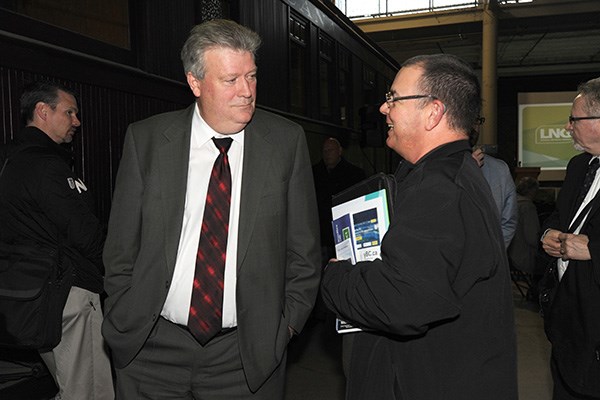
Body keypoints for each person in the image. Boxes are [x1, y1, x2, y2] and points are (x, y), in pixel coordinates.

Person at [101, 19, 321, 399]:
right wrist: (123, 312)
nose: (247, 91)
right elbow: (121, 245)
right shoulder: (148, 140)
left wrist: (284, 328)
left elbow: (304, 251)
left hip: (246, 355)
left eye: (251, 76)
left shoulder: (285, 142)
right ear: (195, 83)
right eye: (231, 80)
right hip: (150, 348)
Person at [320, 54, 518, 400]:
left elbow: (400, 300)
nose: (384, 109)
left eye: (393, 98)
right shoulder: (451, 172)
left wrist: (336, 277)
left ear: (433, 112)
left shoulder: (440, 189)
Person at [0, 81, 114, 399]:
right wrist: (116, 271)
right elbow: (83, 233)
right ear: (42, 112)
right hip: (68, 294)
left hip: (29, 297)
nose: (76, 121)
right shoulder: (47, 166)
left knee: (69, 386)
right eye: (69, 111)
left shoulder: (9, 162)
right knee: (90, 392)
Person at [540, 77, 600, 399]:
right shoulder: (578, 166)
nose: (567, 127)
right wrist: (548, 233)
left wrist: (594, 250)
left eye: (574, 119)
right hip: (566, 319)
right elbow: (560, 216)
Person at [312, 137, 366, 262]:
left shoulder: (355, 174)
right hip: (321, 232)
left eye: (330, 150)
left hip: (344, 230)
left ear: (339, 151)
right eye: (324, 151)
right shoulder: (313, 173)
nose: (327, 154)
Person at [470, 133, 518, 248]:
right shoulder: (431, 166)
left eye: (477, 120)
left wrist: (493, 256)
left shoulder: (499, 169)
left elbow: (508, 222)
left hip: (489, 258)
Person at [508, 176, 541, 275]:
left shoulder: (511, 203)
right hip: (523, 256)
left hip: (510, 255)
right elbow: (532, 237)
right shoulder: (527, 207)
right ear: (532, 191)